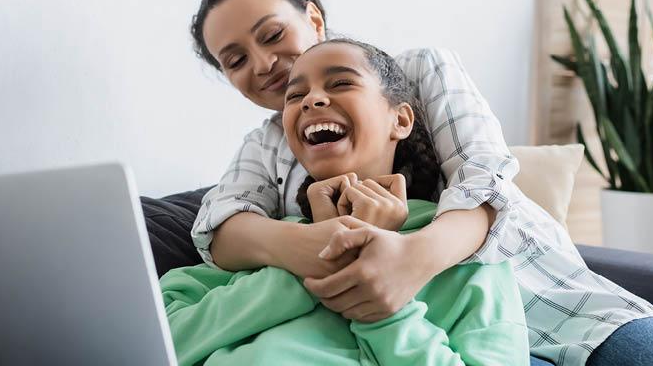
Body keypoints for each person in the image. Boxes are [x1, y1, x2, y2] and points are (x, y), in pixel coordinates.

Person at [187, 0, 653, 365]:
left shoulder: (417, 69)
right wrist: (331, 244)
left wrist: (408, 258)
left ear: (313, 18)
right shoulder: (266, 141)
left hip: (554, 302)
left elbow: (483, 178)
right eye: (234, 60)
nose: (263, 64)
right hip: (420, 337)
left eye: (272, 34)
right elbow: (219, 229)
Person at [161, 38, 529, 365]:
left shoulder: (468, 262)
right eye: (294, 96)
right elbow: (160, 339)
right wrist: (309, 262)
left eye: (341, 83)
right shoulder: (270, 244)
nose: (312, 100)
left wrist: (384, 312)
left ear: (400, 119)